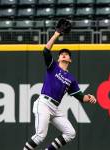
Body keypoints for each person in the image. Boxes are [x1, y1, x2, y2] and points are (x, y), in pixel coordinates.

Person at [23, 22, 96, 150]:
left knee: (70, 133)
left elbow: (80, 97)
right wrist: (56, 34)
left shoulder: (71, 79)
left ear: (70, 60)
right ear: (58, 59)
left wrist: (89, 97)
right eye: (61, 53)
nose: (63, 54)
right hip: (44, 103)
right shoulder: (53, 67)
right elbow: (46, 50)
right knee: (40, 136)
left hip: (55, 108)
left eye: (66, 54)